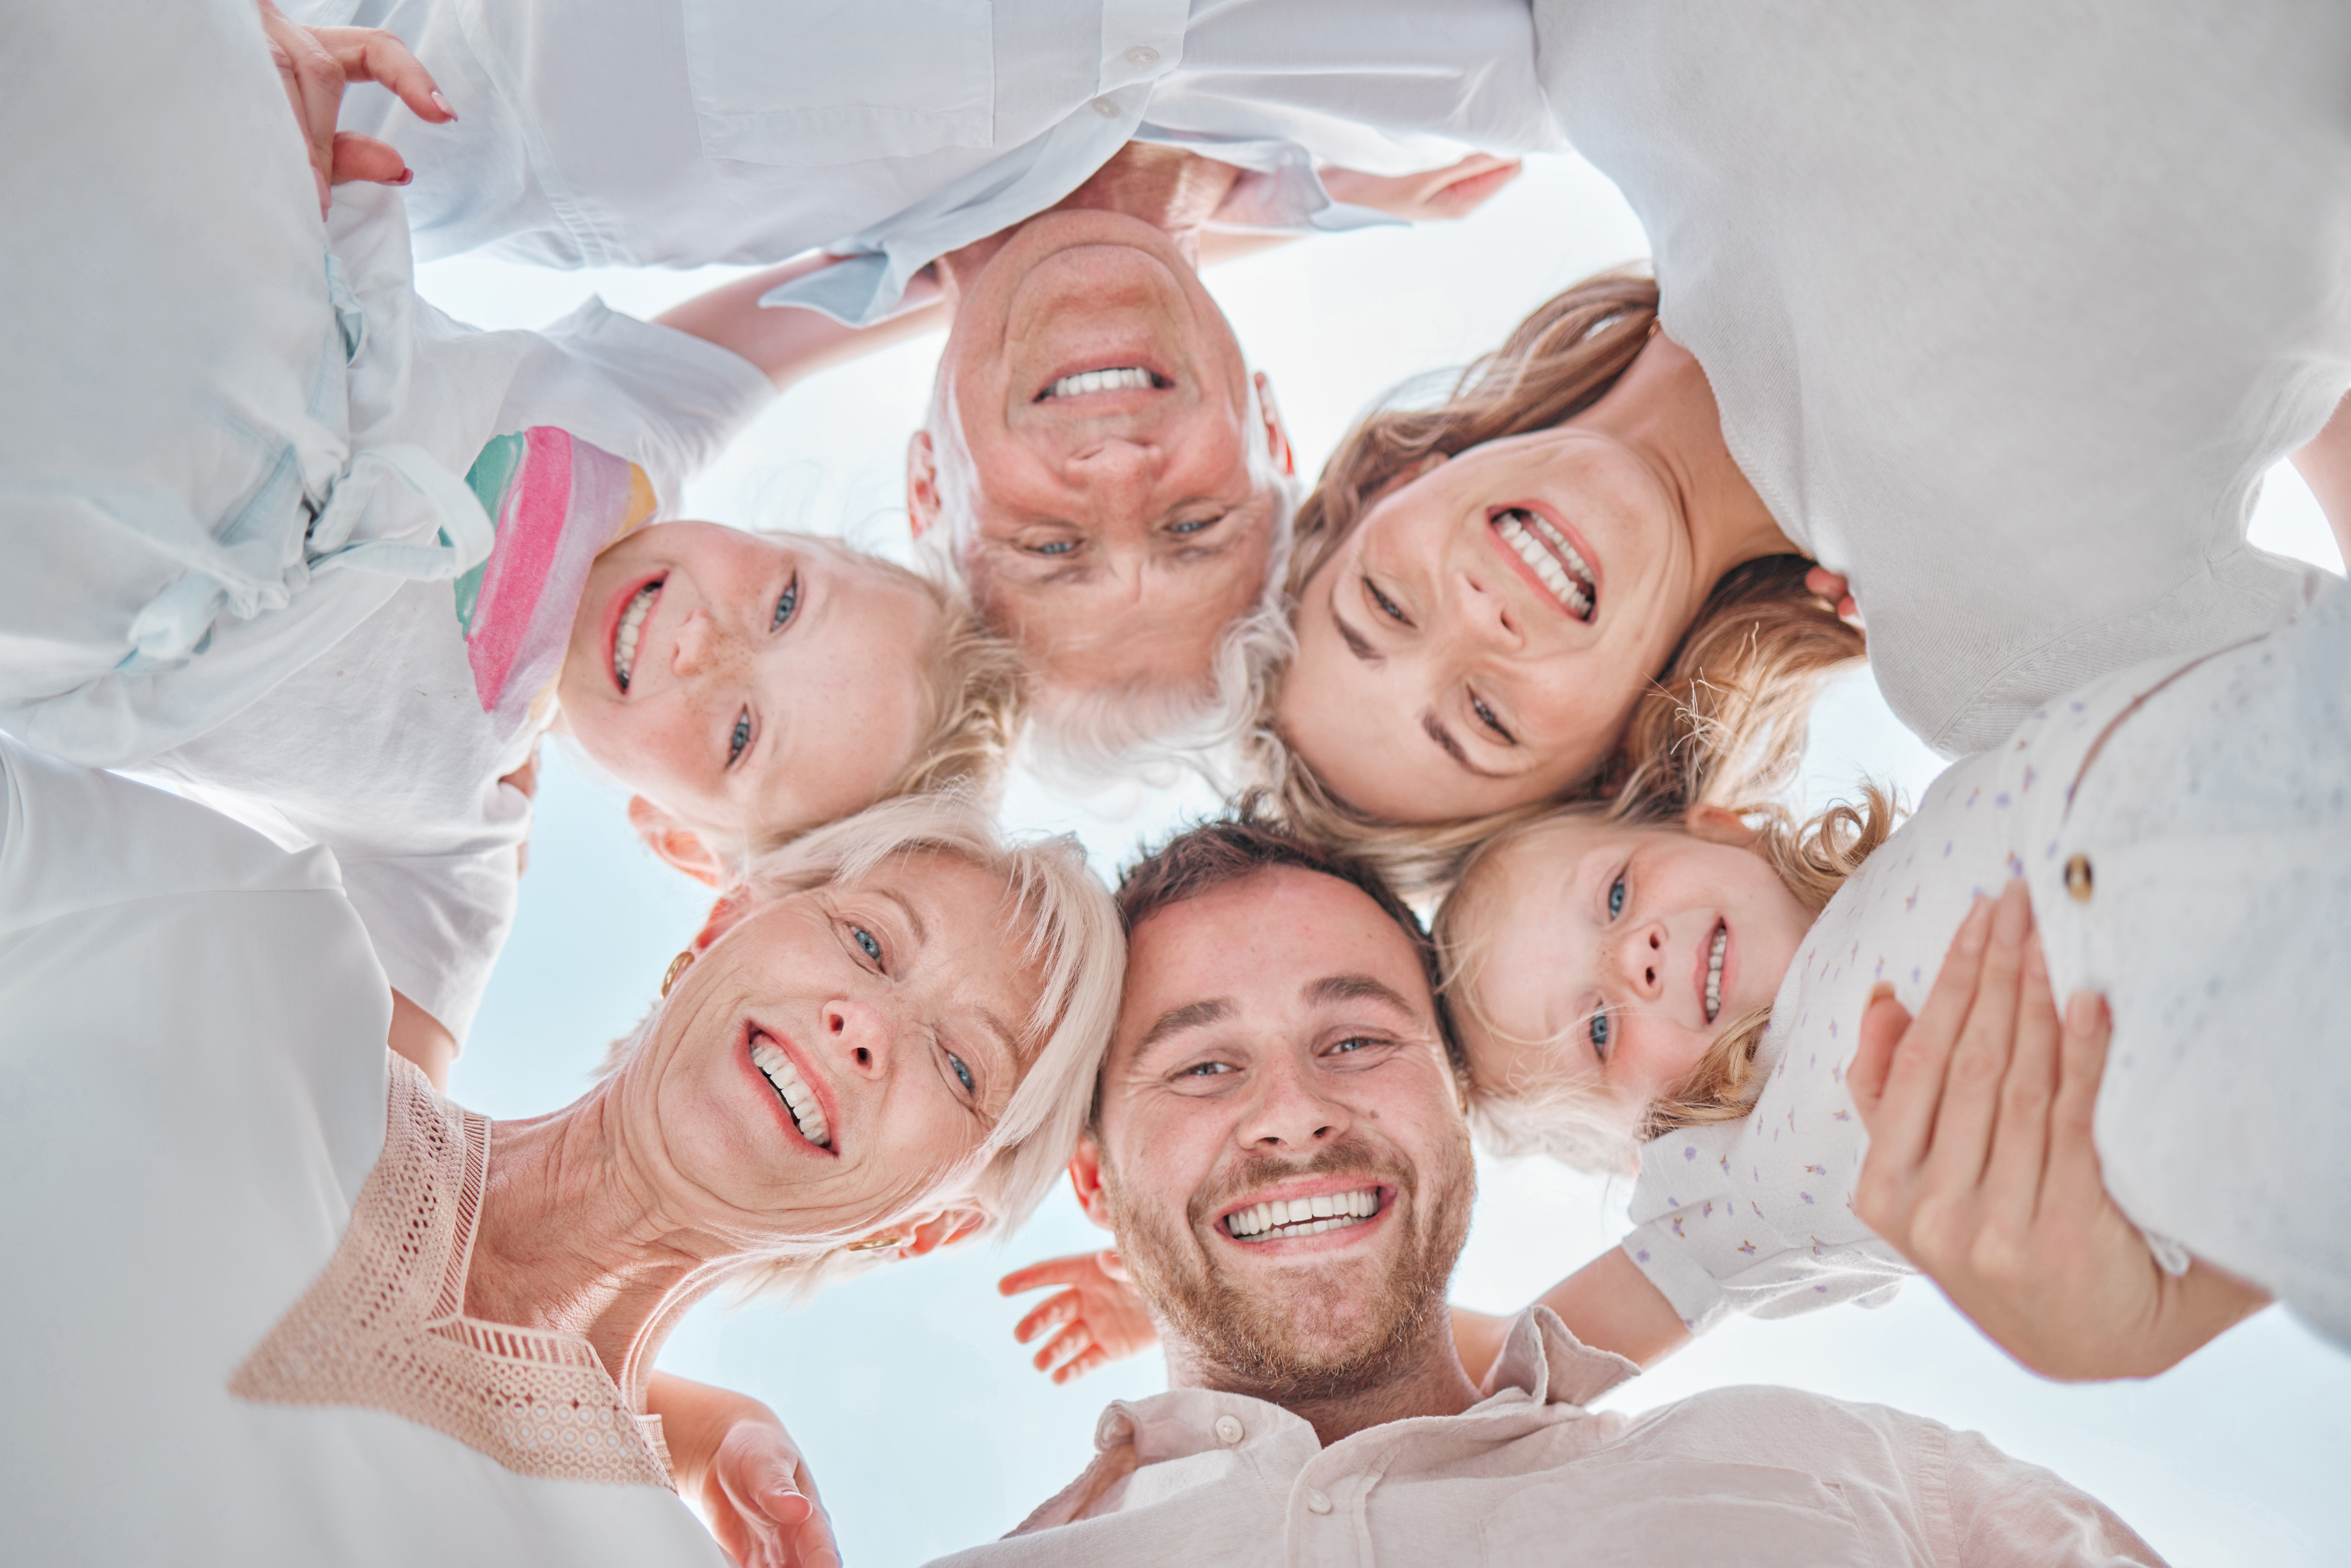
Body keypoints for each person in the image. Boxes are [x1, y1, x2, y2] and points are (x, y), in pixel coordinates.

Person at [0, 0, 1021, 1073]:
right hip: (174, 241)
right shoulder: (647, 427)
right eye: (783, 603)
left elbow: (400, 1115)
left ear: (676, 839)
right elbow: (925, 268)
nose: (704, 645)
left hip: (66, 554)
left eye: (738, 735)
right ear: (784, 534)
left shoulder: (454, 835)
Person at [1253, 0, 2351, 878]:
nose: (1476, 623)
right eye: (1484, 717)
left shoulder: (1601, 54)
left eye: (1385, 609)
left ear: (1393, 481)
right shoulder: (1995, 646)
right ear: (1617, 761)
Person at [295, 0, 1559, 760]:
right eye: (1191, 521)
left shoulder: (523, 169)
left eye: (1047, 541)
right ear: (1272, 425)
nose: (1115, 469)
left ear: (924, 480)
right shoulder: (1482, 85)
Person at [0, 731, 1123, 1567]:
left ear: (922, 1227)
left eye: (963, 1068)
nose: (866, 1025)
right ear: (722, 923)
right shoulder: (245, 932)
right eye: (869, 939)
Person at [978, 815, 2160, 1565]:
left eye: (1355, 1041)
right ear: (1095, 1183)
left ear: (1458, 1116)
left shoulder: (1854, 1481)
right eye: (1201, 1067)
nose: (1292, 1110)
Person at [1430, 563, 2351, 1373]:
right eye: (1597, 1029)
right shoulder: (1729, 1195)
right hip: (2268, 1076)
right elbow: (1512, 1366)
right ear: (1646, 1148)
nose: (1637, 957)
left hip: (2271, 764)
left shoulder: (1949, 788)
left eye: (1619, 896)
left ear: (1722, 830)